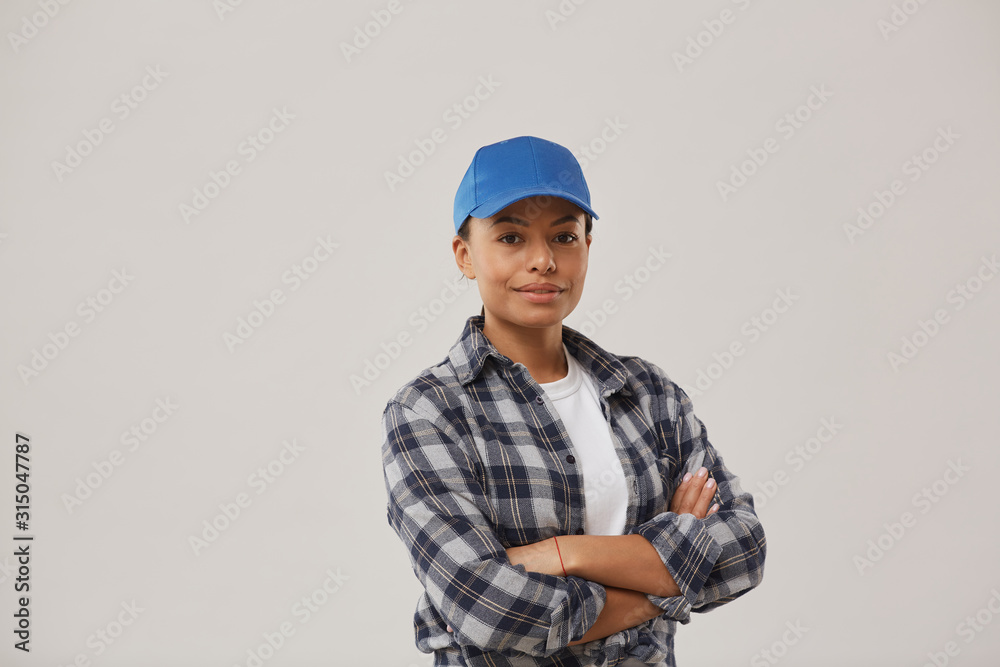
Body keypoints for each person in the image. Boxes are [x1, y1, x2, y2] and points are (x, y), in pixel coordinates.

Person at [380, 135, 766, 667]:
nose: (542, 260)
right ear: (464, 255)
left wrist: (566, 554)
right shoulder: (430, 412)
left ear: (588, 246)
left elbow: (743, 550)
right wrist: (665, 575)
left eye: (564, 236)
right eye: (511, 237)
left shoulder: (649, 395)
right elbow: (485, 609)